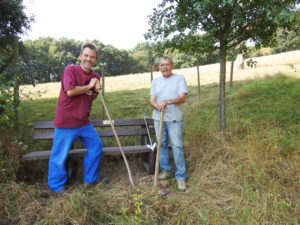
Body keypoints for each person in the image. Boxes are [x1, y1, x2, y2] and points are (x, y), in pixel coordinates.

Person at [48, 43, 103, 195]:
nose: (88, 59)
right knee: (59, 155)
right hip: (66, 122)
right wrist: (90, 85)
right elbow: (70, 91)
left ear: (95, 60)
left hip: (84, 122)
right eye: (86, 55)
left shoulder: (95, 76)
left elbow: (91, 97)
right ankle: (57, 187)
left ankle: (90, 181)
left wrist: (97, 90)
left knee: (96, 146)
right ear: (80, 56)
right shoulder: (70, 70)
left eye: (92, 57)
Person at [150, 56, 188, 191]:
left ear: (172, 66)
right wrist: (157, 106)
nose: (165, 67)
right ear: (159, 67)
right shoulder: (155, 81)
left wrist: (168, 101)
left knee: (177, 146)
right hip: (158, 118)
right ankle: (166, 170)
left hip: (174, 119)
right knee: (162, 145)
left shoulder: (179, 79)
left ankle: (181, 176)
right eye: (162, 65)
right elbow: (152, 100)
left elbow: (182, 98)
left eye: (167, 65)